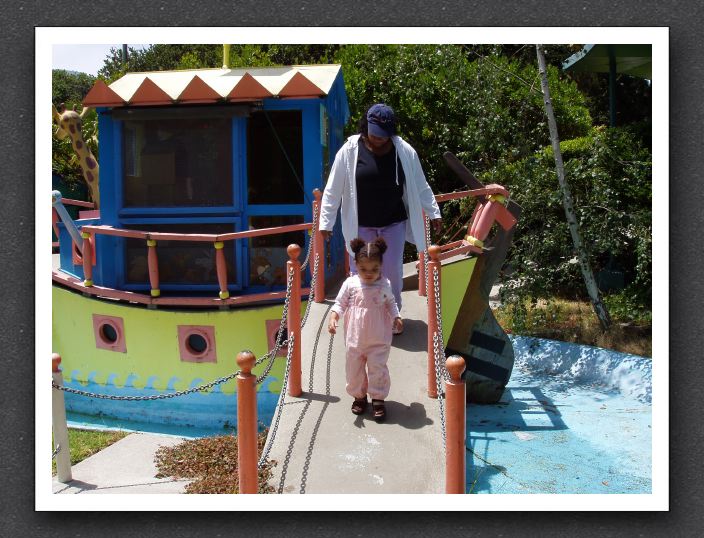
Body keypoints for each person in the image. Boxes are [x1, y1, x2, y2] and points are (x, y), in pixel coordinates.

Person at [319, 103, 442, 332]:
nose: (378, 140)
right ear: (366, 126)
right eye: (374, 134)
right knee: (362, 272)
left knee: (392, 272)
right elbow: (332, 190)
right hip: (362, 224)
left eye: (383, 136)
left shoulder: (404, 151)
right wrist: (325, 223)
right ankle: (361, 317)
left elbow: (420, 184)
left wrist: (434, 211)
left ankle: (391, 317)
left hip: (393, 223)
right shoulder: (349, 151)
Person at [328, 238, 402, 422]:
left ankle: (378, 399)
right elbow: (340, 303)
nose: (369, 274)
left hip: (379, 339)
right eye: (363, 269)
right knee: (354, 370)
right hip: (355, 339)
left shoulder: (384, 284)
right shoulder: (351, 284)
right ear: (356, 265)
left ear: (381, 266)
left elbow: (391, 304)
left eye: (374, 269)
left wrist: (397, 317)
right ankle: (359, 397)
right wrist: (334, 317)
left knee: (378, 369)